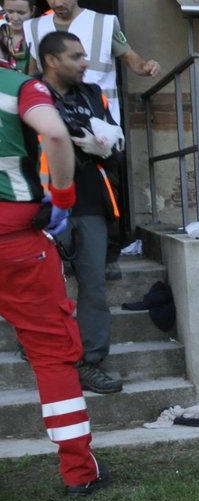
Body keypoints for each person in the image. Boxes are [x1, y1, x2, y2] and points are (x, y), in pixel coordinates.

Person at [0, 61, 112, 497]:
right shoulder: (17, 85)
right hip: (15, 238)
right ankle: (79, 473)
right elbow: (56, 133)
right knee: (50, 356)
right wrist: (63, 197)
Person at [38, 31, 125, 395]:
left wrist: (105, 146)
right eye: (76, 56)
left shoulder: (92, 94)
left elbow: (116, 146)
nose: (85, 63)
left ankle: (90, 361)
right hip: (39, 206)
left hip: (87, 201)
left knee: (93, 286)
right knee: (42, 288)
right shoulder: (29, 95)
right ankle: (44, 351)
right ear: (52, 61)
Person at [24, 0, 160, 124]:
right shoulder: (32, 27)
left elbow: (129, 57)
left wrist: (145, 66)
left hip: (101, 123)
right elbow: (30, 75)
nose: (57, 2)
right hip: (52, 119)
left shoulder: (104, 23)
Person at [2, 0, 37, 73]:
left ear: (32, 11)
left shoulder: (38, 36)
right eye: (10, 11)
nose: (15, 18)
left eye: (21, 13)